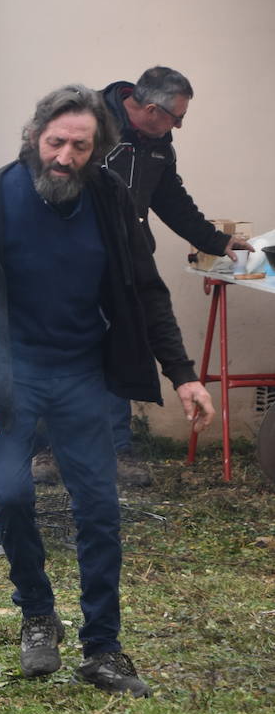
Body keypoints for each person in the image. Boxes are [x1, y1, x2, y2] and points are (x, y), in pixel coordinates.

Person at [0, 84, 215, 697]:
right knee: (8, 498)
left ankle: (103, 647)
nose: (64, 156)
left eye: (79, 147)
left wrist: (183, 373)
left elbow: (146, 291)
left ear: (98, 149)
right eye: (55, 142)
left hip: (82, 374)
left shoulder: (110, 199)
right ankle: (37, 614)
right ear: (35, 138)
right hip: (7, 377)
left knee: (99, 509)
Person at [89, 66, 252, 486]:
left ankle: (116, 452)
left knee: (120, 350)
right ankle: (52, 448)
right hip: (80, 260)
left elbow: (171, 199)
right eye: (176, 117)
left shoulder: (159, 142)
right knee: (71, 352)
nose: (179, 125)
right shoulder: (89, 118)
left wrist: (218, 241)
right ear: (149, 108)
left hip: (129, 263)